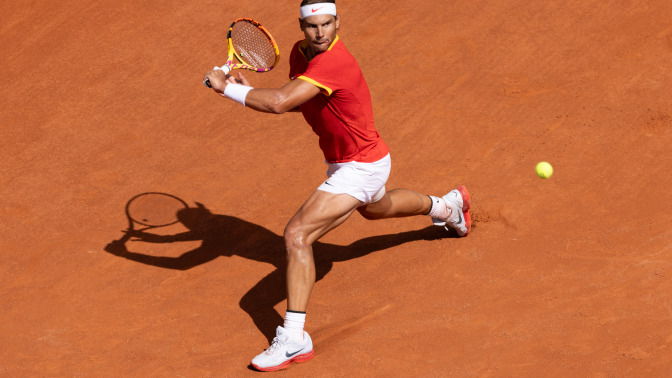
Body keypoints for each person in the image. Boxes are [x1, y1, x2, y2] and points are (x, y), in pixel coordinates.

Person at [203, 0, 472, 371]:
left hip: (360, 165)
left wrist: (228, 91)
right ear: (302, 27)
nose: (320, 33)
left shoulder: (334, 61)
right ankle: (448, 207)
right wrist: (251, 92)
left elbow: (281, 102)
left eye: (327, 24)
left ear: (336, 22)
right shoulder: (302, 54)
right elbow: (303, 103)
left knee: (297, 235)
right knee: (378, 210)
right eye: (312, 26)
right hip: (357, 160)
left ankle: (295, 338)